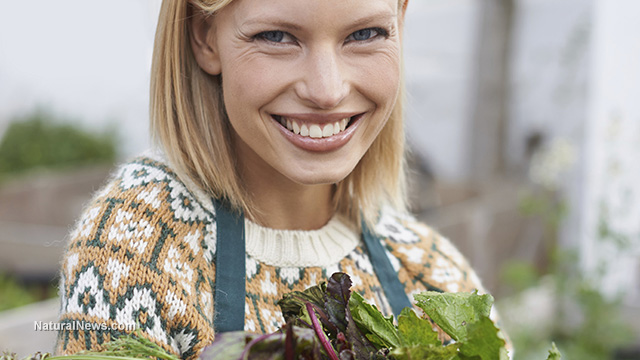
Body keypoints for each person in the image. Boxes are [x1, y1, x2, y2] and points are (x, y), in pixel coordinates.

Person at [56, 0, 501, 358]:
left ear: (400, 24)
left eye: (364, 34)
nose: (327, 91)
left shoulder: (433, 276)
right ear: (204, 36)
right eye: (276, 36)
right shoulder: (138, 243)